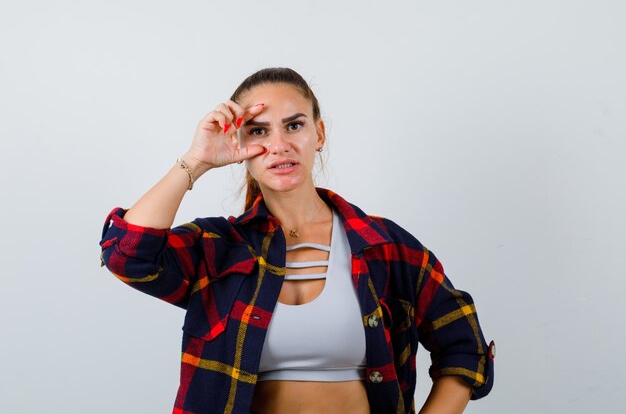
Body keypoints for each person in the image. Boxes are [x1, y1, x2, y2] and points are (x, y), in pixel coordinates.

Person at [99, 67, 495, 414]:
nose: (279, 145)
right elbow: (128, 256)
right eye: (258, 131)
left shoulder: (383, 246)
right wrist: (197, 160)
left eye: (294, 125)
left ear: (318, 133)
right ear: (238, 145)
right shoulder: (219, 247)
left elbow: (463, 346)